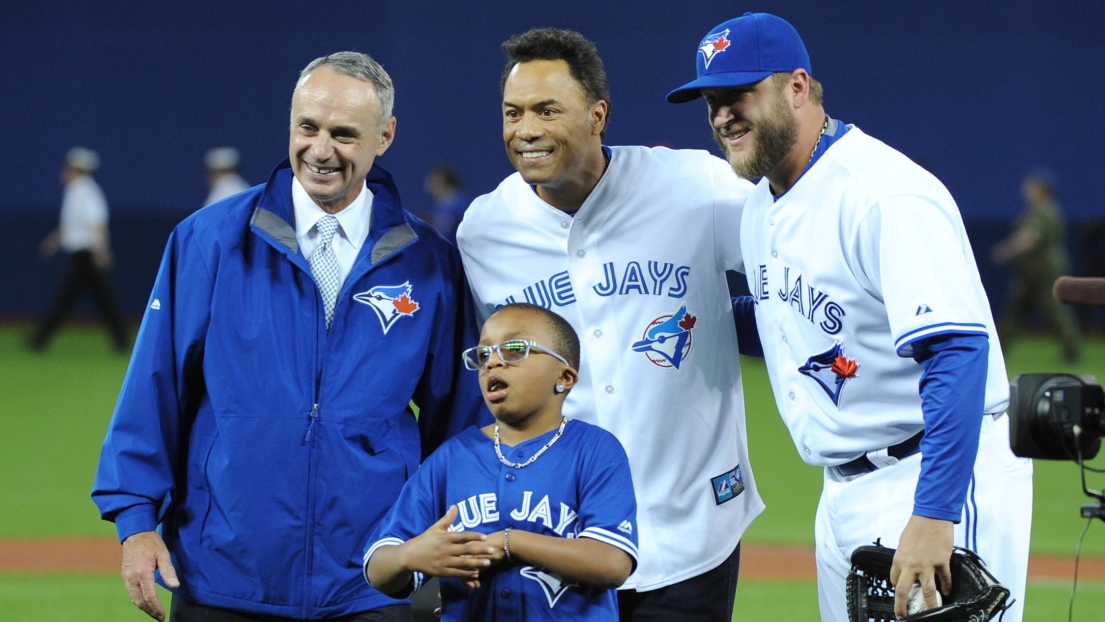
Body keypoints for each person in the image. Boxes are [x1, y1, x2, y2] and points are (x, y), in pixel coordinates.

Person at [667, 12, 1033, 622]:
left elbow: (957, 353)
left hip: (933, 473)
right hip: (841, 490)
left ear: (798, 87)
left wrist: (935, 513)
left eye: (740, 95)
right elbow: (794, 325)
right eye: (711, 101)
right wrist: (672, 316)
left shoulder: (882, 195)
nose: (722, 115)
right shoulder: (763, 205)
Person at [92, 51, 483, 622]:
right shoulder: (210, 241)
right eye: (308, 127)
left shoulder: (428, 263)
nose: (320, 150)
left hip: (375, 583)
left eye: (344, 134)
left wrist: (443, 553)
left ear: (385, 137)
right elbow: (152, 389)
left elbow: (461, 420)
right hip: (224, 576)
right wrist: (135, 525)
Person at [457, 28, 764, 622]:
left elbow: (787, 270)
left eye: (549, 110)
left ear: (598, 115)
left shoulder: (691, 187)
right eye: (513, 112)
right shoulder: (484, 232)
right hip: (559, 542)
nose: (527, 129)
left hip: (690, 533)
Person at [366, 302, 638, 620]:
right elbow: (378, 567)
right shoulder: (453, 457)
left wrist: (509, 542)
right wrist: (409, 555)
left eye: (514, 349)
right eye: (483, 355)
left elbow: (612, 564)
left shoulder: (595, 449)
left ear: (564, 376)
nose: (493, 361)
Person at [30, 146, 129, 352]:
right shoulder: (77, 190)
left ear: (76, 169)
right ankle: (122, 340)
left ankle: (39, 339)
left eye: (68, 167)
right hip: (81, 254)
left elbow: (96, 224)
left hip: (86, 254)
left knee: (69, 298)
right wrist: (54, 241)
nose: (64, 171)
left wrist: (101, 251)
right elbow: (71, 225)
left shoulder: (85, 191)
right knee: (100, 299)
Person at [991, 168, 1081, 361]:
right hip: (1029, 272)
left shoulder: (1044, 211)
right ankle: (998, 352)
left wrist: (1006, 250)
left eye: (1031, 186)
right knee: (1014, 312)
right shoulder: (1037, 210)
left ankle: (1072, 351)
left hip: (1045, 271)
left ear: (1041, 189)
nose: (1026, 189)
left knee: (1055, 310)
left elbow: (1031, 237)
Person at [420, 165, 470, 245]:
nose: (429, 183)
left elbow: (445, 235)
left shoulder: (456, 204)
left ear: (442, 181)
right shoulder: (442, 205)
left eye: (434, 180)